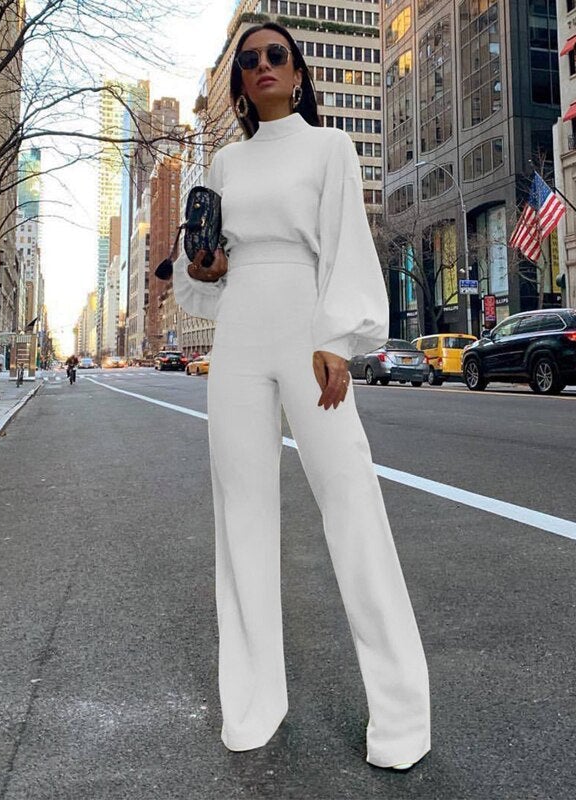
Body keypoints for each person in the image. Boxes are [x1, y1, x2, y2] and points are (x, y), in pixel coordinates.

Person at [173, 22, 430, 771]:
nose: (260, 68)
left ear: (299, 70)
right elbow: (204, 272)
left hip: (306, 325)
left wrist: (338, 338)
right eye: (247, 62)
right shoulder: (223, 159)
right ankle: (254, 704)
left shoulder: (330, 147)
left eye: (274, 56)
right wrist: (209, 266)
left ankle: (401, 716)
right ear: (239, 82)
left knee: (352, 505)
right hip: (241, 332)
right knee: (241, 517)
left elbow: (346, 238)